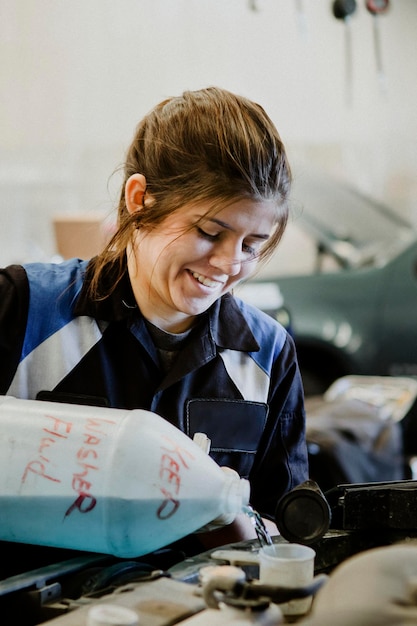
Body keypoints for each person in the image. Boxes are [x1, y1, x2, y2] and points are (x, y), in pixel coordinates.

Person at [0, 86, 308, 556]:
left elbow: (284, 528)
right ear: (140, 198)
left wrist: (241, 522)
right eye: (210, 232)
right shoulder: (24, 310)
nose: (228, 264)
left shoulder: (266, 355)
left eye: (251, 245)